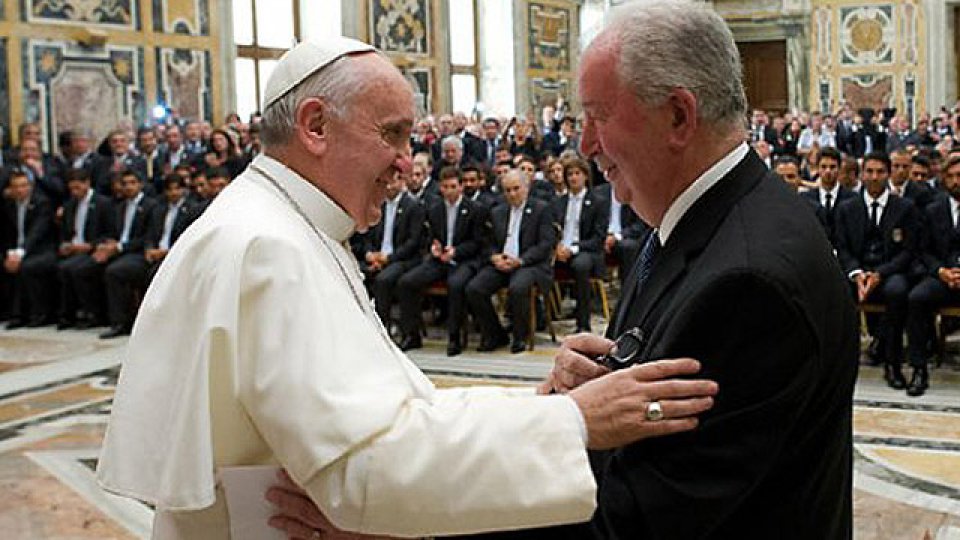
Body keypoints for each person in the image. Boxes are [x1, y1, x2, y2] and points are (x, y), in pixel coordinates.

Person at [97, 35, 719, 539]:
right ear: (315, 125)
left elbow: (387, 411)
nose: (406, 161)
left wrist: (537, 406)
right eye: (392, 134)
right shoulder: (267, 248)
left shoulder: (282, 224)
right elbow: (367, 471)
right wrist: (573, 424)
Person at [457, 1, 858, 537]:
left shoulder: (747, 283)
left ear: (678, 116)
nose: (585, 145)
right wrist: (598, 386)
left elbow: (638, 522)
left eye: (598, 116)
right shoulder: (707, 214)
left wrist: (435, 515)